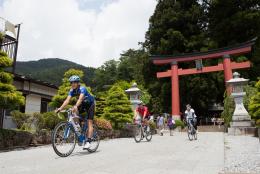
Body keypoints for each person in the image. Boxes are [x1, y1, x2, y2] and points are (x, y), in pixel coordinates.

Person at [55, 75, 95, 150]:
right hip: (83, 104)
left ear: (78, 83)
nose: (73, 84)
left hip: (90, 104)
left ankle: (88, 142)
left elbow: (80, 99)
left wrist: (76, 106)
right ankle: (78, 130)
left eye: (74, 82)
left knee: (89, 122)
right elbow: (67, 100)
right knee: (73, 111)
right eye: (71, 83)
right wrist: (60, 108)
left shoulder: (82, 89)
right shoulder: (72, 90)